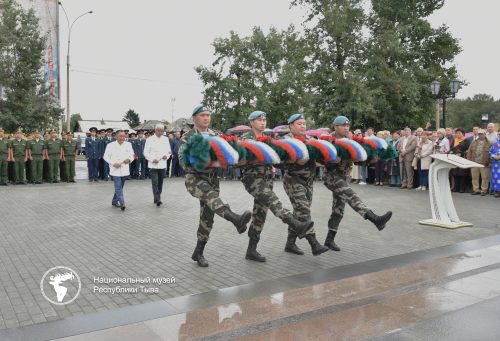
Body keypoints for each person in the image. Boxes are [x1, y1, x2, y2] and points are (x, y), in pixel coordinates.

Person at [179, 104, 252, 267]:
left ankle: (198, 252)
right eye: (202, 115)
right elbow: (183, 161)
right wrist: (203, 161)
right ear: (194, 118)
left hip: (213, 178)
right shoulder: (188, 136)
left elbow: (228, 154)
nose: (206, 118)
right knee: (213, 200)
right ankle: (235, 219)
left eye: (208, 115)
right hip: (195, 179)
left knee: (208, 217)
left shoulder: (216, 135)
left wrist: (237, 159)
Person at [239, 111, 316, 261]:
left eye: (264, 119)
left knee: (260, 214)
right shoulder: (244, 139)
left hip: (267, 179)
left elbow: (279, 160)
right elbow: (237, 161)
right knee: (274, 202)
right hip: (253, 179)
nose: (262, 122)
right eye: (259, 120)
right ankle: (295, 223)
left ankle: (251, 250)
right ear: (251, 123)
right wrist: (254, 157)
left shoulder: (269, 139)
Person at [323, 116, 392, 251]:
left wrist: (371, 160)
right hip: (331, 175)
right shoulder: (328, 139)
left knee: (338, 210)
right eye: (343, 125)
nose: (346, 128)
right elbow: (320, 157)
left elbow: (356, 159)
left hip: (343, 176)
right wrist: (330, 159)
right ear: (335, 127)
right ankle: (374, 218)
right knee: (351, 195)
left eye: (348, 126)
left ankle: (329, 240)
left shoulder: (350, 140)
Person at [281, 113, 328, 256]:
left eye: (304, 123)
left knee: (299, 213)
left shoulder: (310, 140)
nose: (303, 126)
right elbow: (279, 161)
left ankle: (290, 243)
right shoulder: (285, 140)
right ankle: (314, 244)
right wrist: (294, 160)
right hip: (293, 180)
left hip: (309, 182)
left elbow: (319, 159)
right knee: (304, 211)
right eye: (299, 123)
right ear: (291, 126)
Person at [103, 130, 134, 211]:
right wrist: (113, 163)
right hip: (115, 169)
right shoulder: (110, 145)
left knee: (120, 186)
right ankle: (122, 202)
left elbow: (132, 155)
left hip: (124, 168)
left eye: (124, 136)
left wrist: (129, 159)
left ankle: (114, 200)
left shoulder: (128, 144)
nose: (122, 138)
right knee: (118, 186)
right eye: (120, 136)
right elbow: (105, 156)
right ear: (116, 136)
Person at [144, 123, 172, 207]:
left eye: (162, 131)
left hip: (162, 164)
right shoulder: (149, 139)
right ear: (155, 130)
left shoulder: (165, 139)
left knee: (160, 182)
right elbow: (145, 152)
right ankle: (158, 199)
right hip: (153, 164)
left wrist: (166, 156)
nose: (160, 132)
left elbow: (169, 151)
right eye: (159, 131)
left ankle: (157, 197)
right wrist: (152, 159)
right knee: (155, 182)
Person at [467, 129, 491, 196]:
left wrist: (489, 162)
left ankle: (484, 190)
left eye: (482, 134)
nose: (480, 135)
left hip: (485, 163)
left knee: (485, 177)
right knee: (474, 177)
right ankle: (475, 190)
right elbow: (469, 151)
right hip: (474, 162)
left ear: (485, 134)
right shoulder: (474, 142)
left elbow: (491, 153)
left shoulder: (489, 143)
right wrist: (469, 160)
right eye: (479, 134)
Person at [450, 128, 471, 193]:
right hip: (455, 158)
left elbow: (468, 150)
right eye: (457, 133)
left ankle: (462, 188)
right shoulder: (454, 140)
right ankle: (456, 187)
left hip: (463, 158)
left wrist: (461, 154)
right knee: (455, 173)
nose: (458, 134)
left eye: (459, 133)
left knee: (462, 173)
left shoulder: (466, 140)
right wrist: (451, 152)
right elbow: (452, 148)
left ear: (463, 134)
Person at [489, 131, 500, 198]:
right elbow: (490, 152)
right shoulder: (495, 143)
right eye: (499, 134)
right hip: (496, 164)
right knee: (496, 178)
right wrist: (493, 156)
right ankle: (497, 191)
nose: (499, 135)